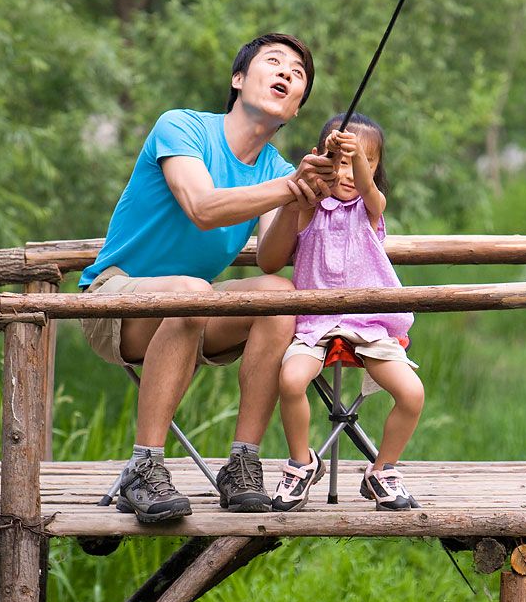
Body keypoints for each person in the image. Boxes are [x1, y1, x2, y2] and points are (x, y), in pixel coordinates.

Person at [79, 32, 338, 524]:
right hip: (113, 299)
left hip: (192, 307)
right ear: (237, 79)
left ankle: (243, 462)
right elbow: (201, 207)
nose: (286, 73)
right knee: (194, 293)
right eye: (274, 63)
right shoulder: (182, 127)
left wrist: (298, 200)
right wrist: (285, 187)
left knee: (281, 297)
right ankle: (144, 467)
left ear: (298, 108)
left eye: (298, 73)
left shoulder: (275, 167)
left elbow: (270, 260)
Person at [258, 112, 425, 512]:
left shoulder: (370, 210)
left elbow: (370, 189)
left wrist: (359, 163)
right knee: (291, 380)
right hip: (315, 323)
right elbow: (283, 237)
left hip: (367, 323)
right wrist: (315, 174)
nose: (349, 173)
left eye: (364, 162)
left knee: (412, 394)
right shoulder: (309, 209)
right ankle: (301, 463)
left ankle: (382, 469)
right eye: (341, 161)